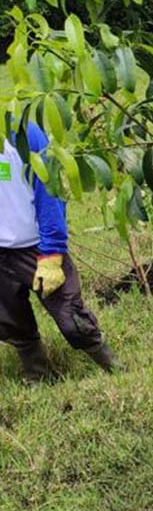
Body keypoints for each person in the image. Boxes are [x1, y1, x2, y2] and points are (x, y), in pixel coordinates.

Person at [0, 123, 121, 381]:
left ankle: (114, 368)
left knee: (71, 318)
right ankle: (38, 375)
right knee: (11, 320)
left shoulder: (24, 133)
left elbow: (50, 193)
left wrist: (52, 252)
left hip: (37, 247)